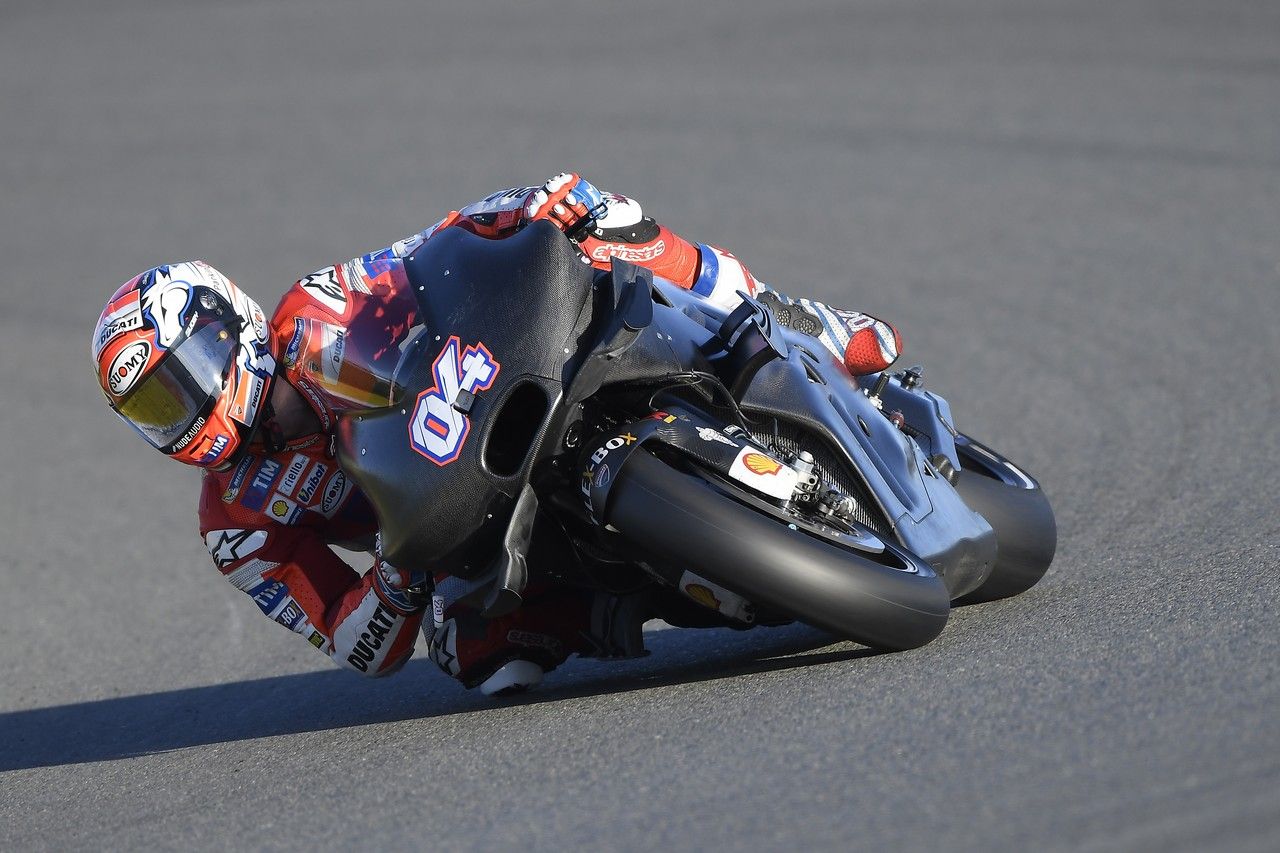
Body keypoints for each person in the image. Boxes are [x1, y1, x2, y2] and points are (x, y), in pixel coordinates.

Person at [91, 173, 903, 696]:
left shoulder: (316, 311)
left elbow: (425, 259)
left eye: (179, 379)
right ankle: (678, 583)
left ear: (223, 324)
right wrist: (399, 579)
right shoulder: (234, 524)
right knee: (480, 659)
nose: (185, 413)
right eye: (155, 410)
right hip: (458, 538)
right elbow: (356, 645)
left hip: (492, 398)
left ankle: (791, 320)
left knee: (599, 213)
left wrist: (518, 211)